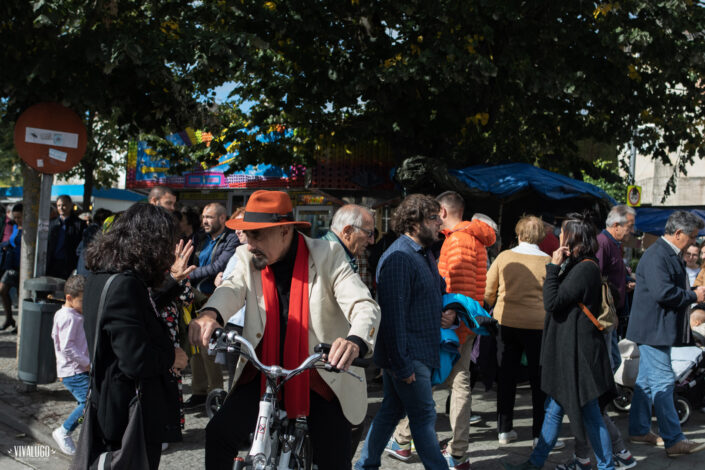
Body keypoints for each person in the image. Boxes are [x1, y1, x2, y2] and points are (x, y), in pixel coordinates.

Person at [187, 190, 380, 469]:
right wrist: (209, 314)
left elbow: (364, 305)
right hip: (263, 368)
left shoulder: (328, 255)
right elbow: (231, 288)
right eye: (247, 235)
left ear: (285, 230)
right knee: (218, 434)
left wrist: (354, 341)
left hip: (319, 371)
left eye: (257, 235)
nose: (249, 243)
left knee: (334, 456)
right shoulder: (245, 256)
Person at [385, 191, 495, 469]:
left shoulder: (456, 239)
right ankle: (453, 452)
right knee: (456, 382)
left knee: (429, 379)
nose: (434, 223)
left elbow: (449, 281)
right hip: (466, 321)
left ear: (443, 213)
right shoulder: (477, 238)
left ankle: (406, 440)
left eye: (435, 216)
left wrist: (448, 314)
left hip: (451, 322)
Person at [504, 213, 616, 470]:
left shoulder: (586, 267)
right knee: (554, 406)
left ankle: (607, 465)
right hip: (570, 351)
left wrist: (553, 267)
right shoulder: (578, 265)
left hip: (579, 355)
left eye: (563, 233)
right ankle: (536, 461)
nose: (557, 237)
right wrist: (560, 264)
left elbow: (552, 302)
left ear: (574, 236)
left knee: (590, 413)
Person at [83, 203, 188, 470]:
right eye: (166, 243)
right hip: (127, 412)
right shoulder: (125, 285)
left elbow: (138, 314)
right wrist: (171, 357)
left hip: (112, 400)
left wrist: (172, 283)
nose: (168, 252)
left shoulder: (104, 277)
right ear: (149, 242)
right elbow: (135, 360)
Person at [356, 194, 457, 470]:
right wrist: (402, 364)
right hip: (409, 355)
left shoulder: (422, 253)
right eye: (433, 218)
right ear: (414, 222)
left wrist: (447, 312)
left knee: (391, 410)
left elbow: (433, 293)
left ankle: (365, 465)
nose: (439, 223)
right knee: (424, 416)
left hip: (418, 350)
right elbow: (393, 318)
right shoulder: (400, 256)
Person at [554, 206, 637, 469]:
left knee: (590, 403)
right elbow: (580, 290)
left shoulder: (607, 247)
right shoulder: (601, 246)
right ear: (616, 225)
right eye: (630, 226)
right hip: (596, 329)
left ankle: (595, 457)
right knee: (589, 403)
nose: (632, 231)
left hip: (600, 328)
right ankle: (606, 455)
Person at [626, 210, 705, 456]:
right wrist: (694, 295)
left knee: (647, 383)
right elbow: (663, 293)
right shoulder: (658, 255)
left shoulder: (664, 253)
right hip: (654, 330)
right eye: (692, 236)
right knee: (663, 382)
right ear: (678, 233)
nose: (695, 241)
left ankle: (639, 430)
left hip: (655, 328)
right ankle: (674, 441)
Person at [485, 216, 551, 449]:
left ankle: (504, 429)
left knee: (506, 377)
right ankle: (538, 435)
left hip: (506, 322)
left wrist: (492, 305)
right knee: (538, 381)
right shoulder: (548, 261)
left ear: (519, 233)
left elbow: (489, 290)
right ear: (541, 235)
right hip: (538, 325)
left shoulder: (504, 257)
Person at [184, 203, 240, 409]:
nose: (204, 221)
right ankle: (198, 391)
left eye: (209, 217)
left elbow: (218, 267)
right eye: (203, 216)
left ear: (222, 218)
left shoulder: (232, 238)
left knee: (209, 348)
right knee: (194, 348)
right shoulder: (199, 237)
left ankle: (215, 392)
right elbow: (188, 259)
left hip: (211, 298)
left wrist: (187, 275)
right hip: (192, 297)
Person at [50, 274, 89, 456]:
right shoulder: (69, 317)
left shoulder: (69, 313)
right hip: (75, 371)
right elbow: (66, 346)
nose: (86, 305)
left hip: (76, 369)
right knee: (88, 402)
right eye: (83, 301)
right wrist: (87, 363)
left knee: (91, 402)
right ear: (69, 298)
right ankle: (64, 431)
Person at [321, 204, 376, 274]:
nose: (372, 241)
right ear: (347, 231)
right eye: (368, 233)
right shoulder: (331, 260)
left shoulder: (332, 256)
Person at [47, 195, 86, 279]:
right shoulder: (51, 224)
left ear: (70, 205)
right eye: (58, 205)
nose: (61, 208)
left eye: (64, 205)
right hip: (53, 263)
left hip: (69, 264)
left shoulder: (79, 224)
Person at [0, 203, 22, 333]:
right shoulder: (14, 226)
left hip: (22, 265)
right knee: (2, 290)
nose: (17, 219)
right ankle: (9, 318)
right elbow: (10, 241)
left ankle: (21, 323)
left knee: (21, 295)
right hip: (11, 264)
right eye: (15, 217)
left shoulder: (30, 227)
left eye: (19, 217)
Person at [75, 208, 113, 276]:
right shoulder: (98, 232)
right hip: (90, 271)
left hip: (82, 269)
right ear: (103, 220)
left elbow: (78, 250)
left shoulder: (88, 231)